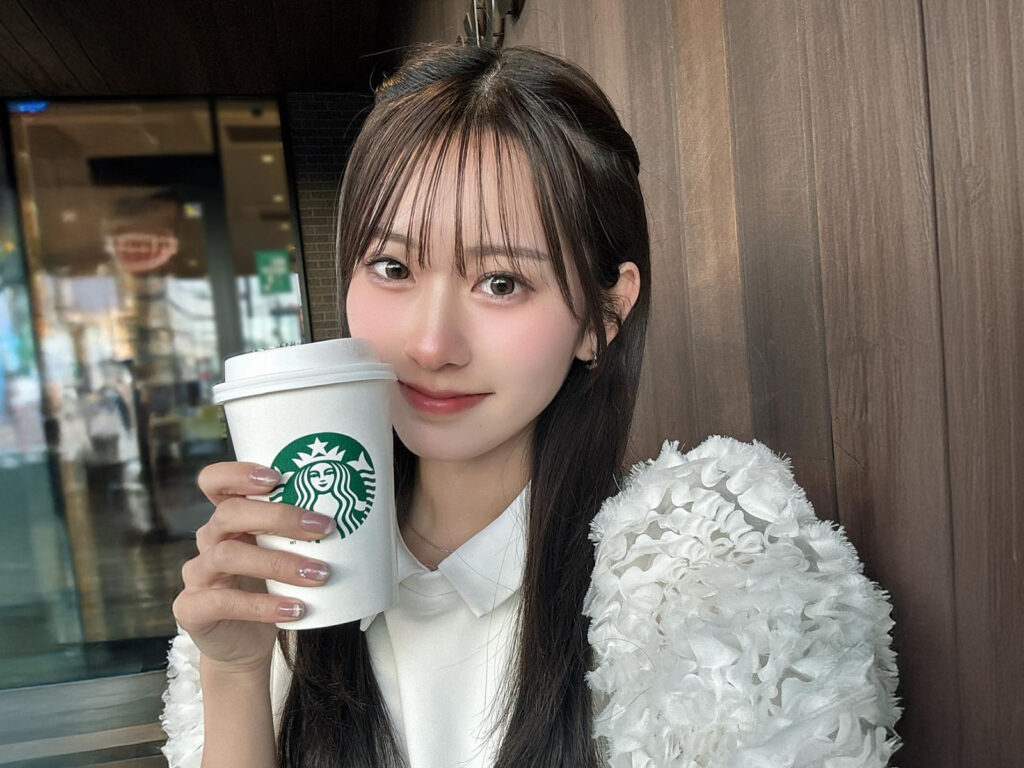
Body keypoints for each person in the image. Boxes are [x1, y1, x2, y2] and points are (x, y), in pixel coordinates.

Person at [162, 42, 901, 768]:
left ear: (602, 316)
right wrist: (233, 673)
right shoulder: (286, 579)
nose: (431, 344)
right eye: (392, 267)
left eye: (502, 283)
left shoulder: (695, 588)